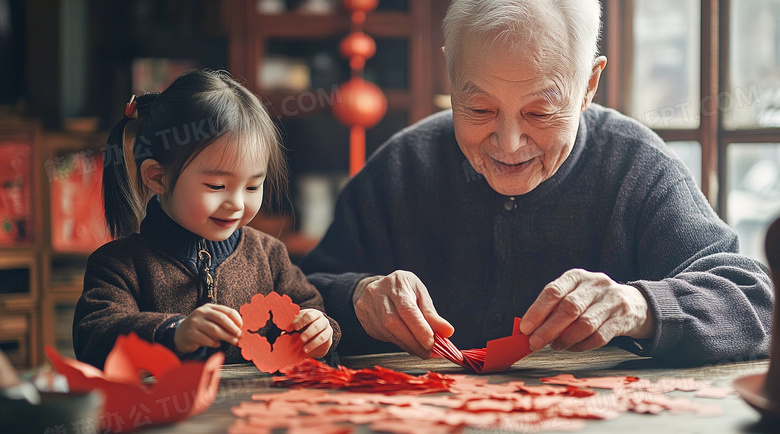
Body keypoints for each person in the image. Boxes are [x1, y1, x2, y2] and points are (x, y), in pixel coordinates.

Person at [298, 0, 773, 365]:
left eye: (540, 112)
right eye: (479, 109)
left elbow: (754, 300)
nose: (507, 143)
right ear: (452, 72)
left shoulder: (637, 167)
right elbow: (300, 292)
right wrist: (359, 296)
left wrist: (639, 305)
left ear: (588, 85)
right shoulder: (402, 168)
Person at [73, 70, 339, 369]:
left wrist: (321, 330)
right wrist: (174, 332)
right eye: (217, 186)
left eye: (252, 186)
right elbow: (94, 337)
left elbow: (308, 308)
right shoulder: (119, 266)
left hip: (258, 412)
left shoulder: (269, 255)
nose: (237, 204)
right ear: (157, 177)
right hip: (167, 413)